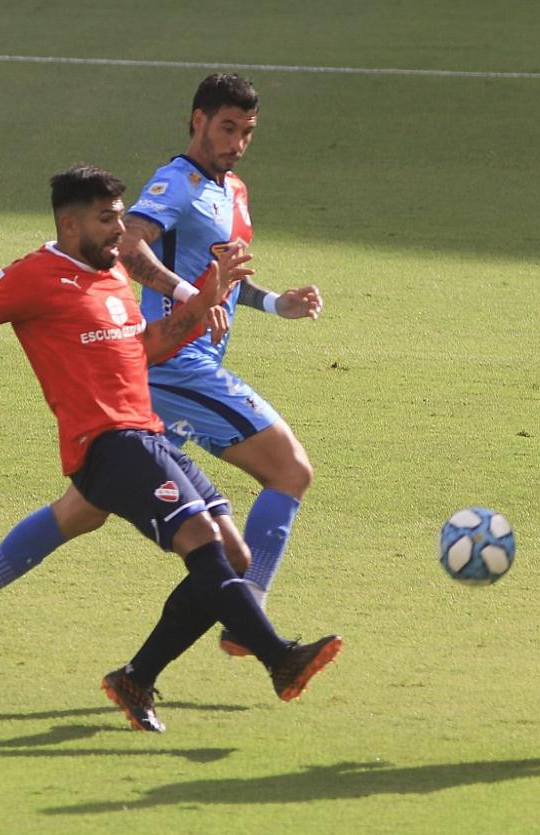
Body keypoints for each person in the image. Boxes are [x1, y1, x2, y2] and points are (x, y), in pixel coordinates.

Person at [0, 164, 341, 732]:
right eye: (107, 219)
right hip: (107, 444)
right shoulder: (31, 276)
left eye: (119, 217)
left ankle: (133, 677)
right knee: (200, 542)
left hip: (147, 435)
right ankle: (279, 658)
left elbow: (147, 346)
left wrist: (206, 298)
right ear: (70, 224)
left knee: (233, 556)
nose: (121, 230)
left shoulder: (113, 271)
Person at [117, 73, 322, 657]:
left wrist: (273, 302)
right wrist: (188, 296)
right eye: (227, 127)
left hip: (176, 369)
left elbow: (225, 282)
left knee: (82, 513)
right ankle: (247, 615)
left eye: (248, 132)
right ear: (197, 119)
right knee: (290, 470)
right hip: (173, 365)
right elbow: (127, 247)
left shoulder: (234, 191)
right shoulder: (174, 182)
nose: (236, 141)